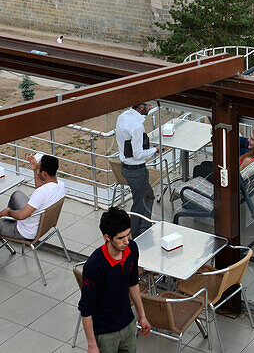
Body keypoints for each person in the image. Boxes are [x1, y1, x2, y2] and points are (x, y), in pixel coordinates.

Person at [78, 206, 151, 353]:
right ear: (107, 237)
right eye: (120, 238)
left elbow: (133, 284)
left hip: (128, 324)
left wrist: (142, 316)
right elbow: (86, 308)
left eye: (128, 235)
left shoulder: (132, 249)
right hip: (105, 333)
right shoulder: (94, 265)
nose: (126, 242)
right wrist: (92, 344)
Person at [0, 153, 66, 241]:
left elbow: (21, 216)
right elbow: (41, 189)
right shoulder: (60, 185)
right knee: (16, 195)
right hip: (42, 225)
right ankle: (3, 225)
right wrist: (35, 170)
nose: (37, 167)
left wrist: (9, 212)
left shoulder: (41, 192)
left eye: (39, 167)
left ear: (43, 174)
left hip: (25, 232)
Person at [115, 104, 157, 237]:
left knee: (147, 196)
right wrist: (155, 150)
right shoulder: (137, 127)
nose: (151, 107)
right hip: (136, 171)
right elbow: (138, 154)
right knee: (139, 203)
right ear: (141, 107)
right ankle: (136, 233)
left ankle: (144, 227)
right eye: (149, 105)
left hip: (126, 168)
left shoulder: (123, 117)